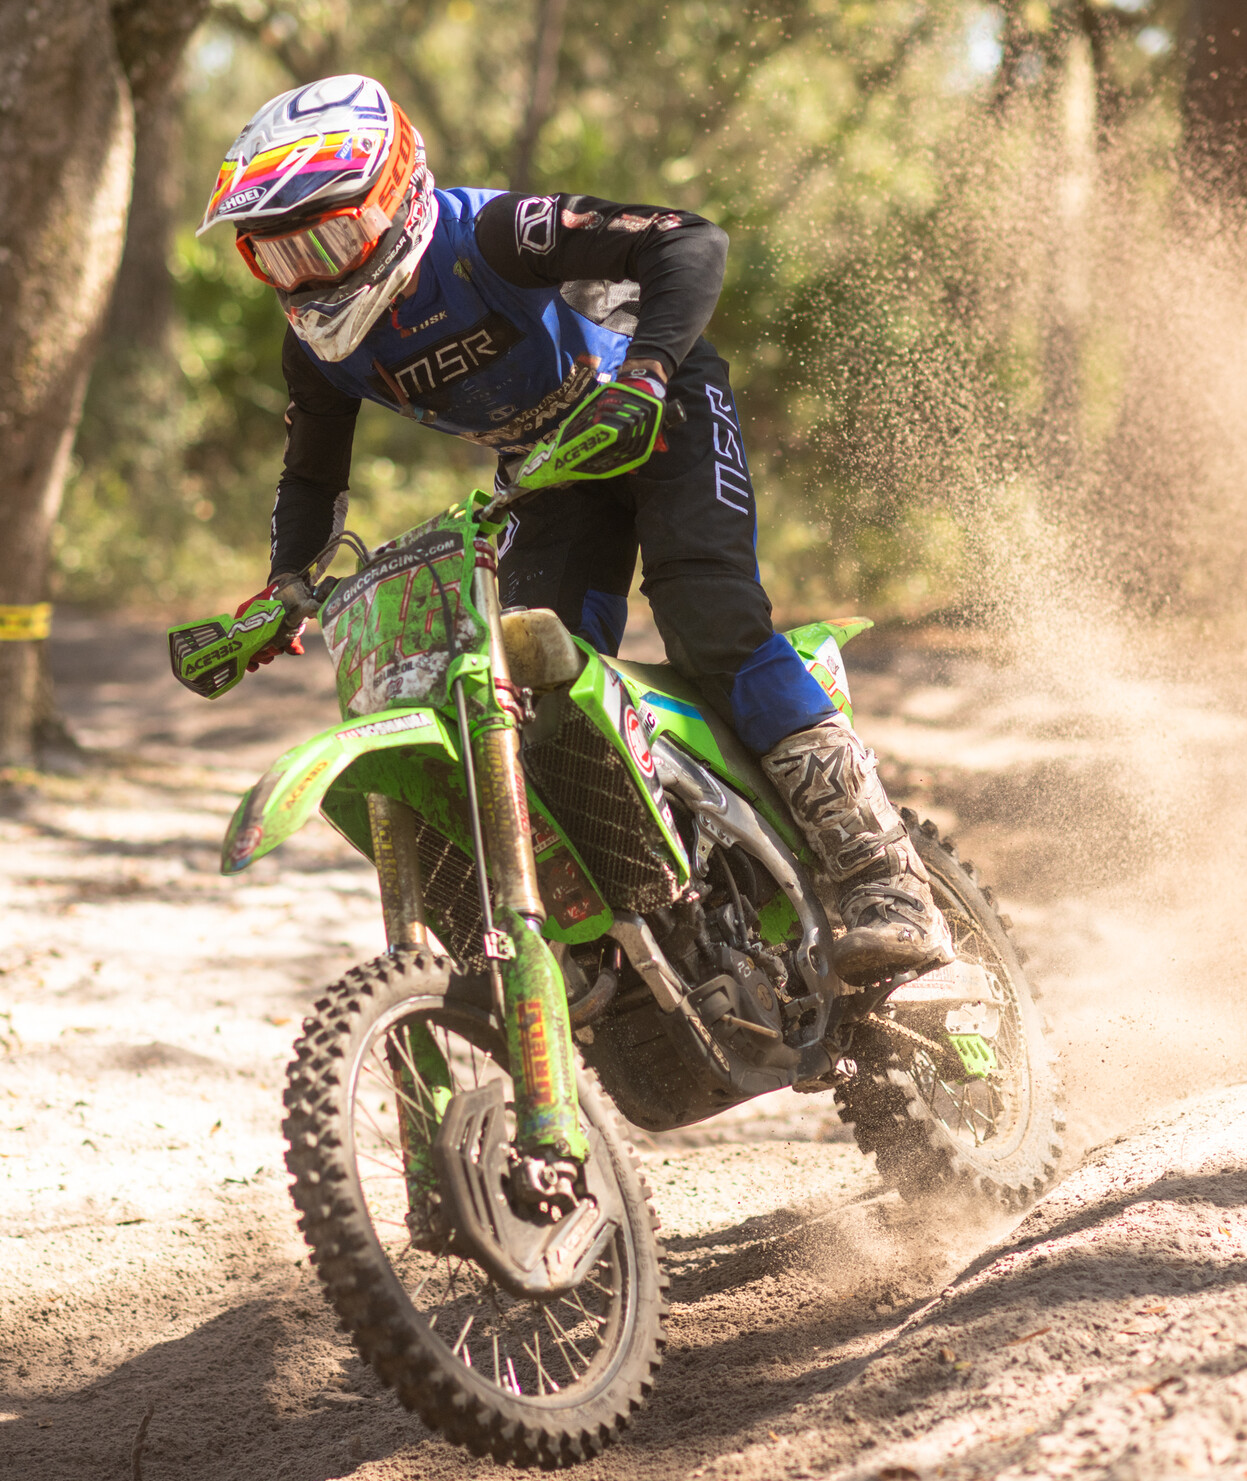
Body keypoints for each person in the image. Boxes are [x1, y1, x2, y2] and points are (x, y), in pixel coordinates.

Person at [202, 74, 950, 984]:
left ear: (396, 194)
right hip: (551, 473)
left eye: (328, 238)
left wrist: (645, 373)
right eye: (277, 259)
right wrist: (285, 586)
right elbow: (313, 473)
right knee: (528, 688)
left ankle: (886, 881)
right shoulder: (317, 349)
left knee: (710, 619)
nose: (310, 275)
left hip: (661, 410)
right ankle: (646, 906)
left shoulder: (488, 234)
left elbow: (690, 242)